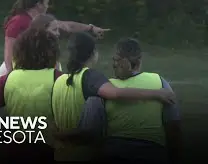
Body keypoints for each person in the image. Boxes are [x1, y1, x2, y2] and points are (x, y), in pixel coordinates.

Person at [51, 32, 176, 161]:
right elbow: (115, 94)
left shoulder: (59, 81)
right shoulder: (95, 81)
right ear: (93, 54)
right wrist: (156, 93)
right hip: (87, 155)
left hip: (62, 155)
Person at [0, 28, 62, 161]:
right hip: (50, 149)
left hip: (15, 148)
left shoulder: (9, 78)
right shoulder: (59, 78)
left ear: (20, 52)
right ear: (53, 53)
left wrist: (0, 134)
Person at [97, 38, 182, 164]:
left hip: (114, 152)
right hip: (152, 153)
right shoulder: (159, 82)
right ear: (139, 61)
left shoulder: (106, 86)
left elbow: (96, 127)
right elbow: (173, 126)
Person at [0, 0, 110, 78]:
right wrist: (10, 75)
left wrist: (91, 28)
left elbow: (68, 26)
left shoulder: (46, 21)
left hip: (33, 68)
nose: (48, 6)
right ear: (39, 4)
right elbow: (9, 52)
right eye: (46, 3)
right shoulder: (18, 22)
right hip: (15, 71)